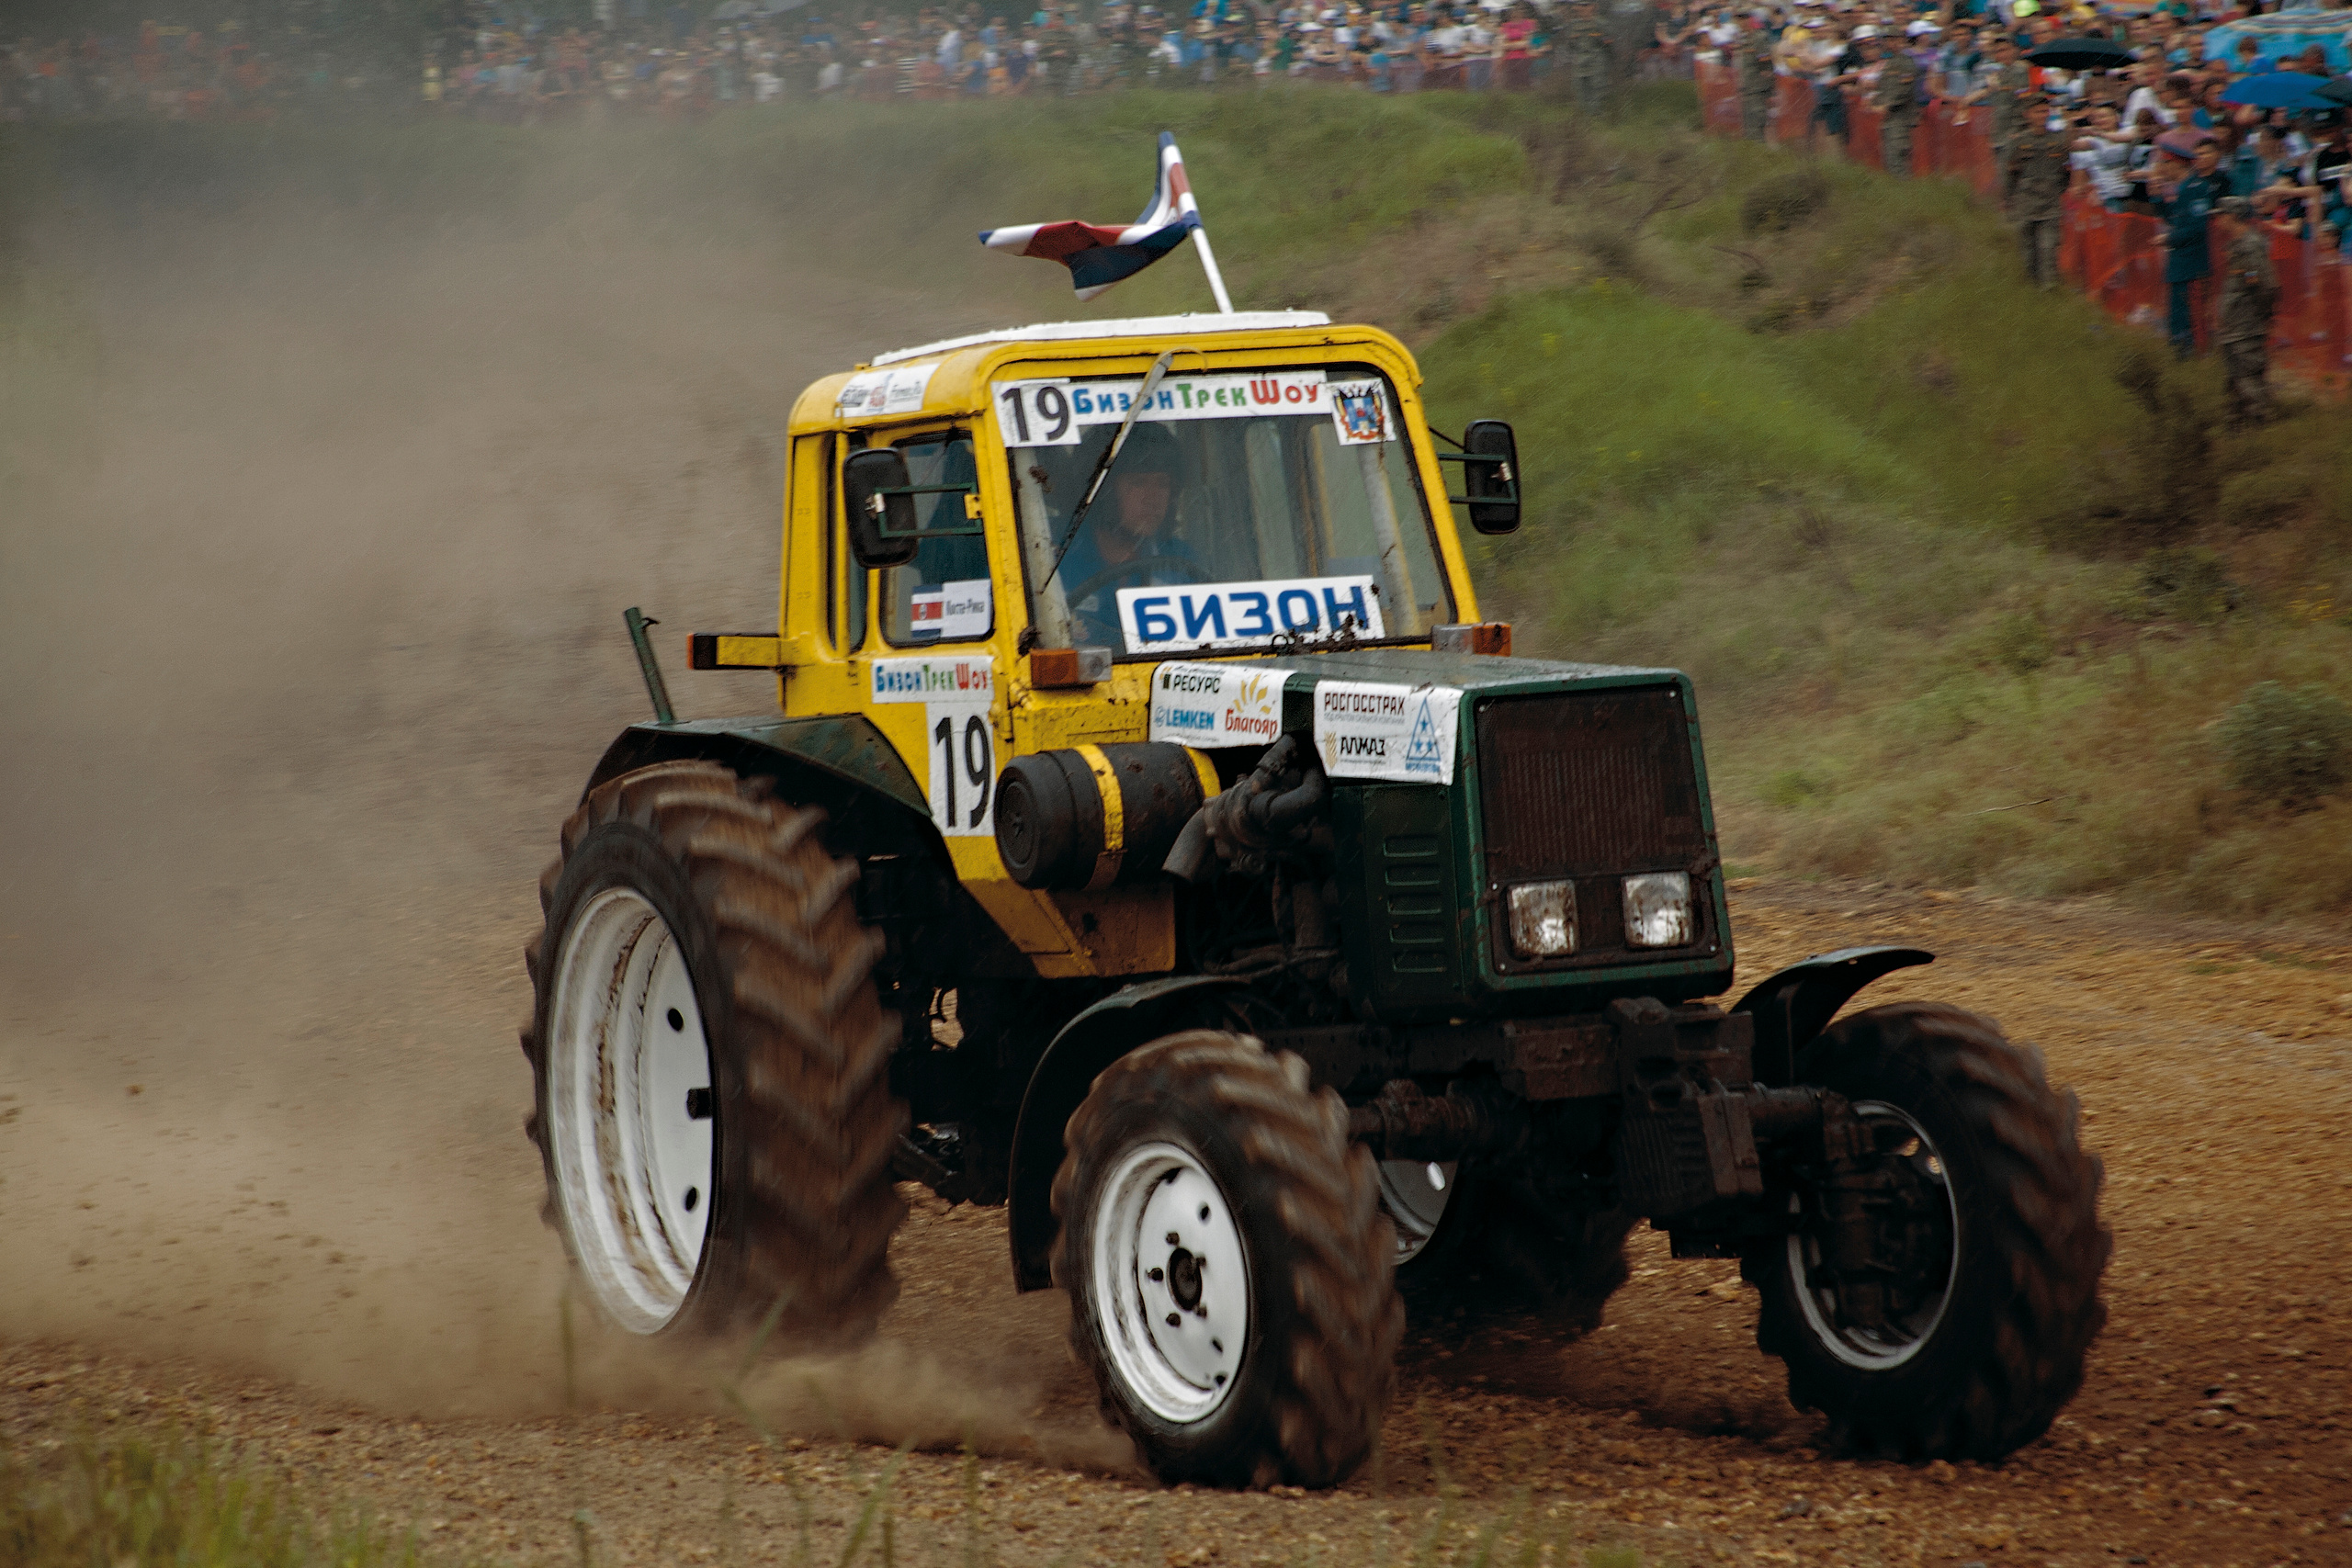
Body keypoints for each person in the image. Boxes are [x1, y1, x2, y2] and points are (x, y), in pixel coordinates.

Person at [1050, 424, 1199, 648]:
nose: (1153, 498)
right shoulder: (1046, 552)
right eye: (1138, 483)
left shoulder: (1180, 564)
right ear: (1104, 491)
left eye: (1162, 483)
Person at [2153, 137, 2227, 356]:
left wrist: (2168, 239)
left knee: (2191, 315)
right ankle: (2180, 355)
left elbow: (2197, 228)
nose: (2161, 169)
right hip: (2179, 264)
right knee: (2177, 315)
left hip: (2192, 263)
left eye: (2164, 163)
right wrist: (2157, 199)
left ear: (2176, 164)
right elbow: (2174, 219)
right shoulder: (2184, 188)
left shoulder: (2197, 189)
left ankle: (2195, 356)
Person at [2212, 195, 2278, 424]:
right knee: (2236, 382)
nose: (2218, 221)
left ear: (2232, 216)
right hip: (2235, 326)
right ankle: (2240, 433)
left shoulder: (2249, 247)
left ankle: (2260, 430)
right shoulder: (2237, 246)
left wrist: (2260, 316)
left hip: (2246, 326)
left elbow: (2265, 286)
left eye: (2221, 215)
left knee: (2250, 380)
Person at [2007, 85, 2075, 285]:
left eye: (2045, 111)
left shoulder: (2058, 141)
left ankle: (2049, 287)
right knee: (2028, 248)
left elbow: (2066, 172)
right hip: (2026, 201)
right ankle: (2031, 286)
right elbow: (2011, 173)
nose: (2041, 115)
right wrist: (2011, 199)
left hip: (2050, 202)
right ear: (2027, 115)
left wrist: (2058, 191)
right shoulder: (2019, 142)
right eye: (2037, 111)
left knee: (2048, 246)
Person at [1872, 25, 1923, 175]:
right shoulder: (1890, 63)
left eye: (1893, 39)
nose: (1889, 43)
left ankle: (1906, 194)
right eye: (1887, 40)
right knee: (1890, 161)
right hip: (1889, 119)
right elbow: (1885, 89)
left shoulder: (1905, 62)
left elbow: (1904, 90)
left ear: (1900, 40)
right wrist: (1877, 101)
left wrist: (1887, 105)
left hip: (1900, 117)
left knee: (1898, 160)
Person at [1562, 0, 1611, 113]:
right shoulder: (1573, 25)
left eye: (1586, 5)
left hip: (1597, 60)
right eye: (1580, 6)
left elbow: (1609, 43)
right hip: (1580, 61)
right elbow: (1569, 46)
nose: (1583, 8)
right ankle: (1584, 118)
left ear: (1593, 6)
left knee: (1597, 88)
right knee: (1580, 89)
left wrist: (1600, 39)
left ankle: (1598, 116)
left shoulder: (1600, 23)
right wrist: (1572, 41)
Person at [1737, 15, 1775, 140]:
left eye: (1743, 18)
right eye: (1738, 19)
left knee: (1757, 127)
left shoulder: (1759, 38)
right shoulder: (1744, 39)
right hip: (1748, 89)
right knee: (1749, 129)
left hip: (1758, 90)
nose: (1741, 22)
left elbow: (1766, 67)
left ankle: (1762, 156)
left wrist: (1769, 92)